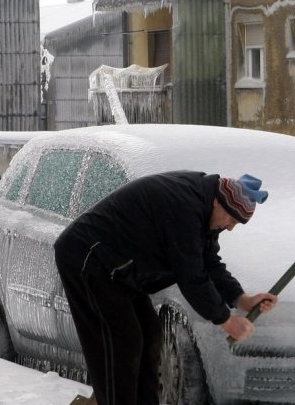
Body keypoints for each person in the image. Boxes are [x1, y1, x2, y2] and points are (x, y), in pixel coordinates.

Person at [54, 171, 278, 405]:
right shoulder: (184, 206)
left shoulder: (203, 208)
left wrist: (243, 299)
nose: (231, 228)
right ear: (218, 201)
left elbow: (209, 262)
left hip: (119, 271)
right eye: (232, 219)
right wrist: (226, 321)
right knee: (123, 342)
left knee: (150, 335)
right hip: (87, 258)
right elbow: (191, 275)